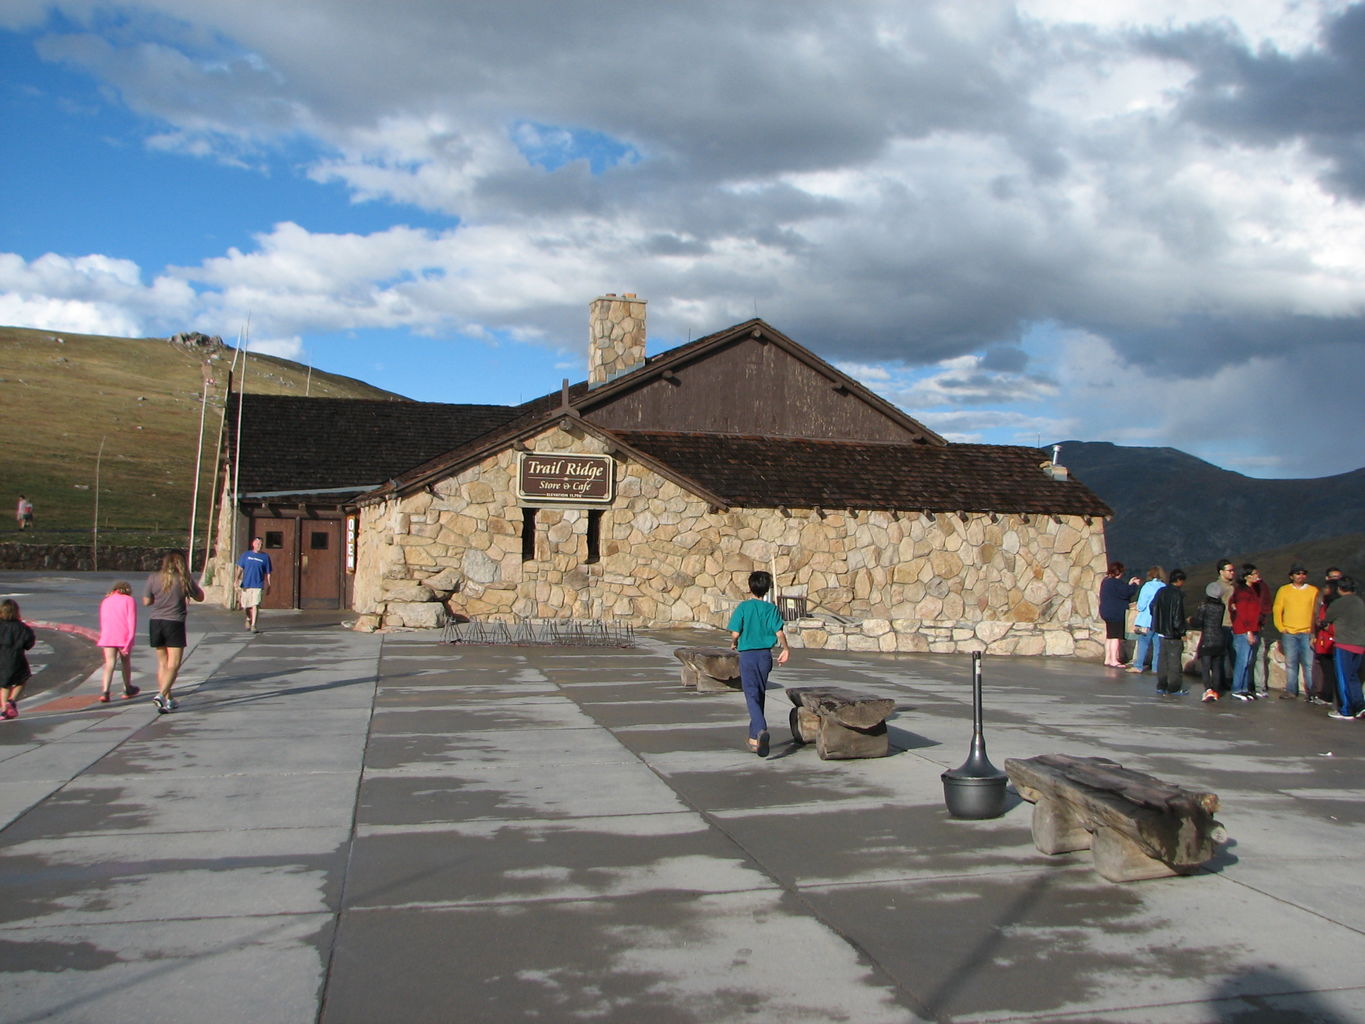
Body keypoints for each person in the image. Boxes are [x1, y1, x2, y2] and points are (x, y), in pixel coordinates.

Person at [727, 570, 791, 758]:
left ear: (750, 587)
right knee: (759, 694)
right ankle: (754, 738)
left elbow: (735, 633)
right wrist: (786, 649)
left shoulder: (743, 608)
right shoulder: (771, 609)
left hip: (748, 656)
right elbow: (779, 633)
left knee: (751, 695)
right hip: (765, 656)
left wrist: (733, 642)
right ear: (766, 589)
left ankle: (761, 729)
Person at [143, 551, 204, 714]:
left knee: (162, 663)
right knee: (174, 664)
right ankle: (161, 695)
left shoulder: (154, 578)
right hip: (174, 622)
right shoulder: (184, 579)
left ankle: (168, 699)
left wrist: (160, 597)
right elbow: (200, 597)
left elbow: (146, 601)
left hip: (155, 622)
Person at [1273, 566, 1318, 701]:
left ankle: (1312, 692)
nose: (1300, 576)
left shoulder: (1313, 591)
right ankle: (1291, 690)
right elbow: (1277, 608)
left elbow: (1316, 612)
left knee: (1309, 664)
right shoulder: (1284, 590)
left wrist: (1314, 630)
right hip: (1289, 632)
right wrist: (1281, 627)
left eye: (1303, 574)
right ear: (1291, 576)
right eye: (1297, 574)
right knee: (1291, 663)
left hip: (1307, 632)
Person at [1323, 576, 1364, 721]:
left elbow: (1326, 620)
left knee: (1342, 678)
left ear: (1340, 588)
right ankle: (1360, 706)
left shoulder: (1338, 603)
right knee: (1354, 677)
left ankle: (1345, 710)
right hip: (1360, 645)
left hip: (1344, 644)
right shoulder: (1360, 602)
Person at [96, 581, 141, 703]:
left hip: (108, 636)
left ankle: (105, 692)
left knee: (109, 663)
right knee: (125, 661)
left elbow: (103, 620)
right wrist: (129, 640)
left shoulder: (106, 601)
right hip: (123, 636)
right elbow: (131, 622)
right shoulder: (129, 600)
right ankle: (127, 688)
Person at [1228, 566, 1265, 701]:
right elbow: (1244, 613)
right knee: (1242, 661)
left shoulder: (1251, 590)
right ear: (1246, 577)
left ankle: (1244, 688)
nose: (1257, 576)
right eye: (1254, 574)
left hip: (1251, 628)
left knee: (1248, 660)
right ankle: (1237, 688)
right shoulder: (1243, 593)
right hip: (1244, 630)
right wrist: (1249, 630)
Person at [1309, 568, 1344, 706]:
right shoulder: (1323, 599)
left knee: (1329, 670)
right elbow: (1316, 616)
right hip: (1324, 639)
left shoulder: (1333, 604)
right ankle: (1324, 693)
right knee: (1324, 667)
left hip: (1330, 639)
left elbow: (1326, 620)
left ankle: (1327, 695)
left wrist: (1324, 625)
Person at [1151, 569, 1187, 695]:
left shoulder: (1161, 591)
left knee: (1162, 659)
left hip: (1161, 631)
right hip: (1173, 633)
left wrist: (1158, 622)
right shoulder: (1177, 594)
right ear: (1179, 580)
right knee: (1174, 661)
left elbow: (1153, 606)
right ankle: (1174, 687)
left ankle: (1161, 685)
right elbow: (1177, 616)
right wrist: (1182, 631)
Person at [1098, 562, 1140, 668]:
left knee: (1110, 636)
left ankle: (1108, 658)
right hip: (1115, 613)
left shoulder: (1106, 581)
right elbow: (1126, 592)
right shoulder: (1116, 583)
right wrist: (1134, 585)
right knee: (1115, 637)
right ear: (1119, 572)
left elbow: (1120, 590)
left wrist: (1129, 584)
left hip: (1106, 612)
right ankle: (1114, 660)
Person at [0, 599, 36, 719]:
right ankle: (12, 700)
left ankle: (4, 709)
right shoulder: (22, 628)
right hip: (17, 658)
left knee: (4, 685)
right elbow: (29, 644)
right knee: (22, 679)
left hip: (2, 658)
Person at [1128, 566, 1166, 675]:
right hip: (1159, 621)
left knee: (1143, 643)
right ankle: (1156, 667)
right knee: (1157, 645)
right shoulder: (1163, 587)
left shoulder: (1147, 586)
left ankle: (1138, 666)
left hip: (1146, 621)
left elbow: (1141, 605)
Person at [1195, 582, 1227, 702]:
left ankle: (1208, 690)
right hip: (1219, 639)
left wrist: (1190, 620)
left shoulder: (1205, 606)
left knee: (1206, 667)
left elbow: (1199, 621)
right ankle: (1216, 690)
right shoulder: (1221, 606)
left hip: (1207, 639)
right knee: (1216, 667)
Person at [234, 537, 273, 632]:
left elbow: (268, 572)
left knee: (255, 604)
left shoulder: (265, 557)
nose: (259, 545)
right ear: (253, 544)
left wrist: (269, 584)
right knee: (246, 606)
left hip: (258, 584)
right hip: (246, 584)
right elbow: (240, 568)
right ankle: (248, 618)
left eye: (261, 544)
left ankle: (253, 625)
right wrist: (236, 579)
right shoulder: (246, 555)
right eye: (258, 543)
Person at [1211, 559, 1237, 690]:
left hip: (1232, 624)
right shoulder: (1217, 587)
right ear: (1221, 572)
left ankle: (1228, 680)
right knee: (1223, 655)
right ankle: (1223, 680)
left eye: (1233, 570)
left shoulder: (1233, 586)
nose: (1232, 573)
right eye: (1229, 570)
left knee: (1230, 654)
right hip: (1222, 624)